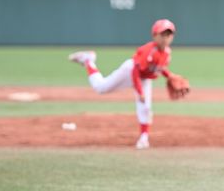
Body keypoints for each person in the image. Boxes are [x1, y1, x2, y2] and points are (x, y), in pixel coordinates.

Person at [68, 19, 188, 149]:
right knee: (100, 87)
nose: (166, 38)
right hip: (130, 71)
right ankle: (88, 61)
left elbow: (158, 67)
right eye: (163, 34)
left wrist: (169, 75)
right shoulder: (149, 51)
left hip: (144, 78)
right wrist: (140, 92)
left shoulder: (167, 53)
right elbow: (136, 71)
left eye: (169, 35)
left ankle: (144, 138)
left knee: (146, 108)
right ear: (154, 36)